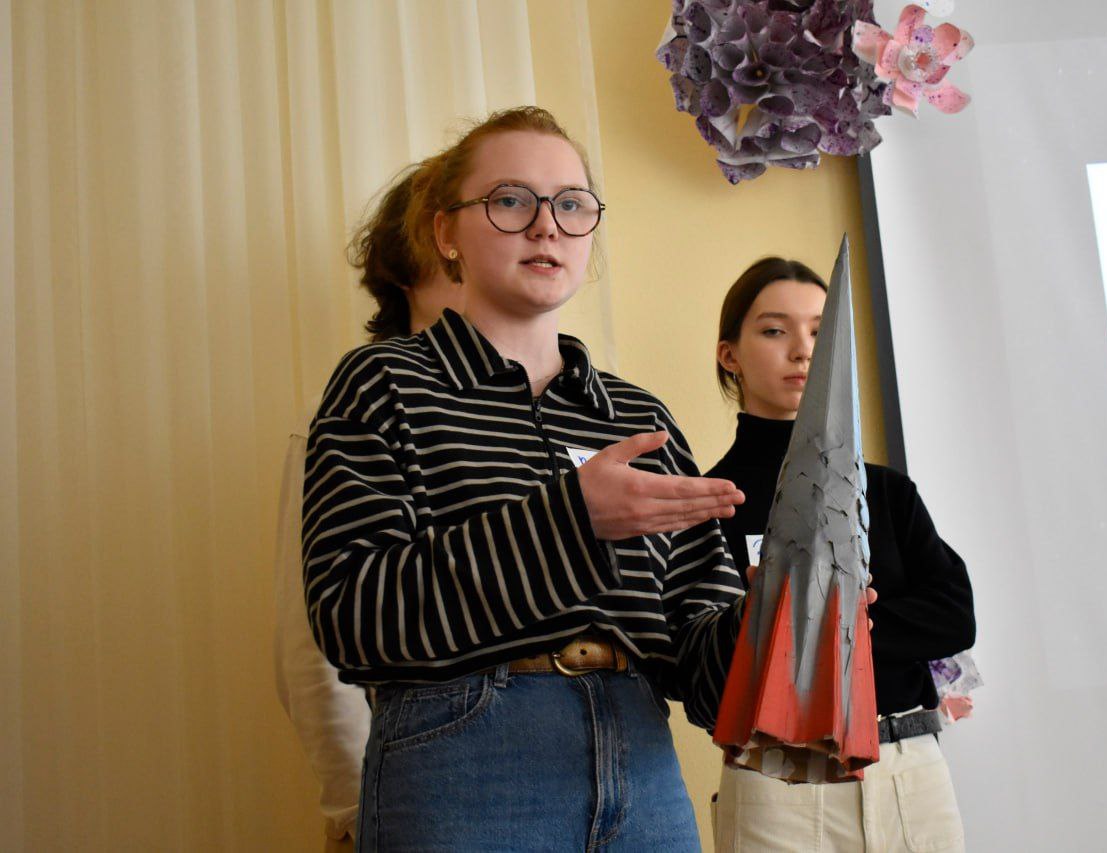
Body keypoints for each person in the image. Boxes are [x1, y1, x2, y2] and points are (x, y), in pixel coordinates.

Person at [301, 106, 748, 851]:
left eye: (571, 204)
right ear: (446, 233)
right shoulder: (384, 382)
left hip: (644, 765)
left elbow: (698, 660)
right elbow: (351, 616)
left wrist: (773, 620)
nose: (547, 226)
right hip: (464, 763)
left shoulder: (639, 415)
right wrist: (572, 521)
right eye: (510, 200)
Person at [706, 257, 976, 853]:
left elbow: (954, 616)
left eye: (819, 330)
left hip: (908, 768)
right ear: (730, 354)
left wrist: (849, 629)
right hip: (775, 781)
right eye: (774, 330)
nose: (804, 350)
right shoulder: (710, 500)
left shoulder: (887, 490)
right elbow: (698, 656)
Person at [273, 159, 464, 851]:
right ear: (410, 260)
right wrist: (365, 807)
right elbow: (311, 646)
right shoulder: (351, 410)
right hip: (415, 795)